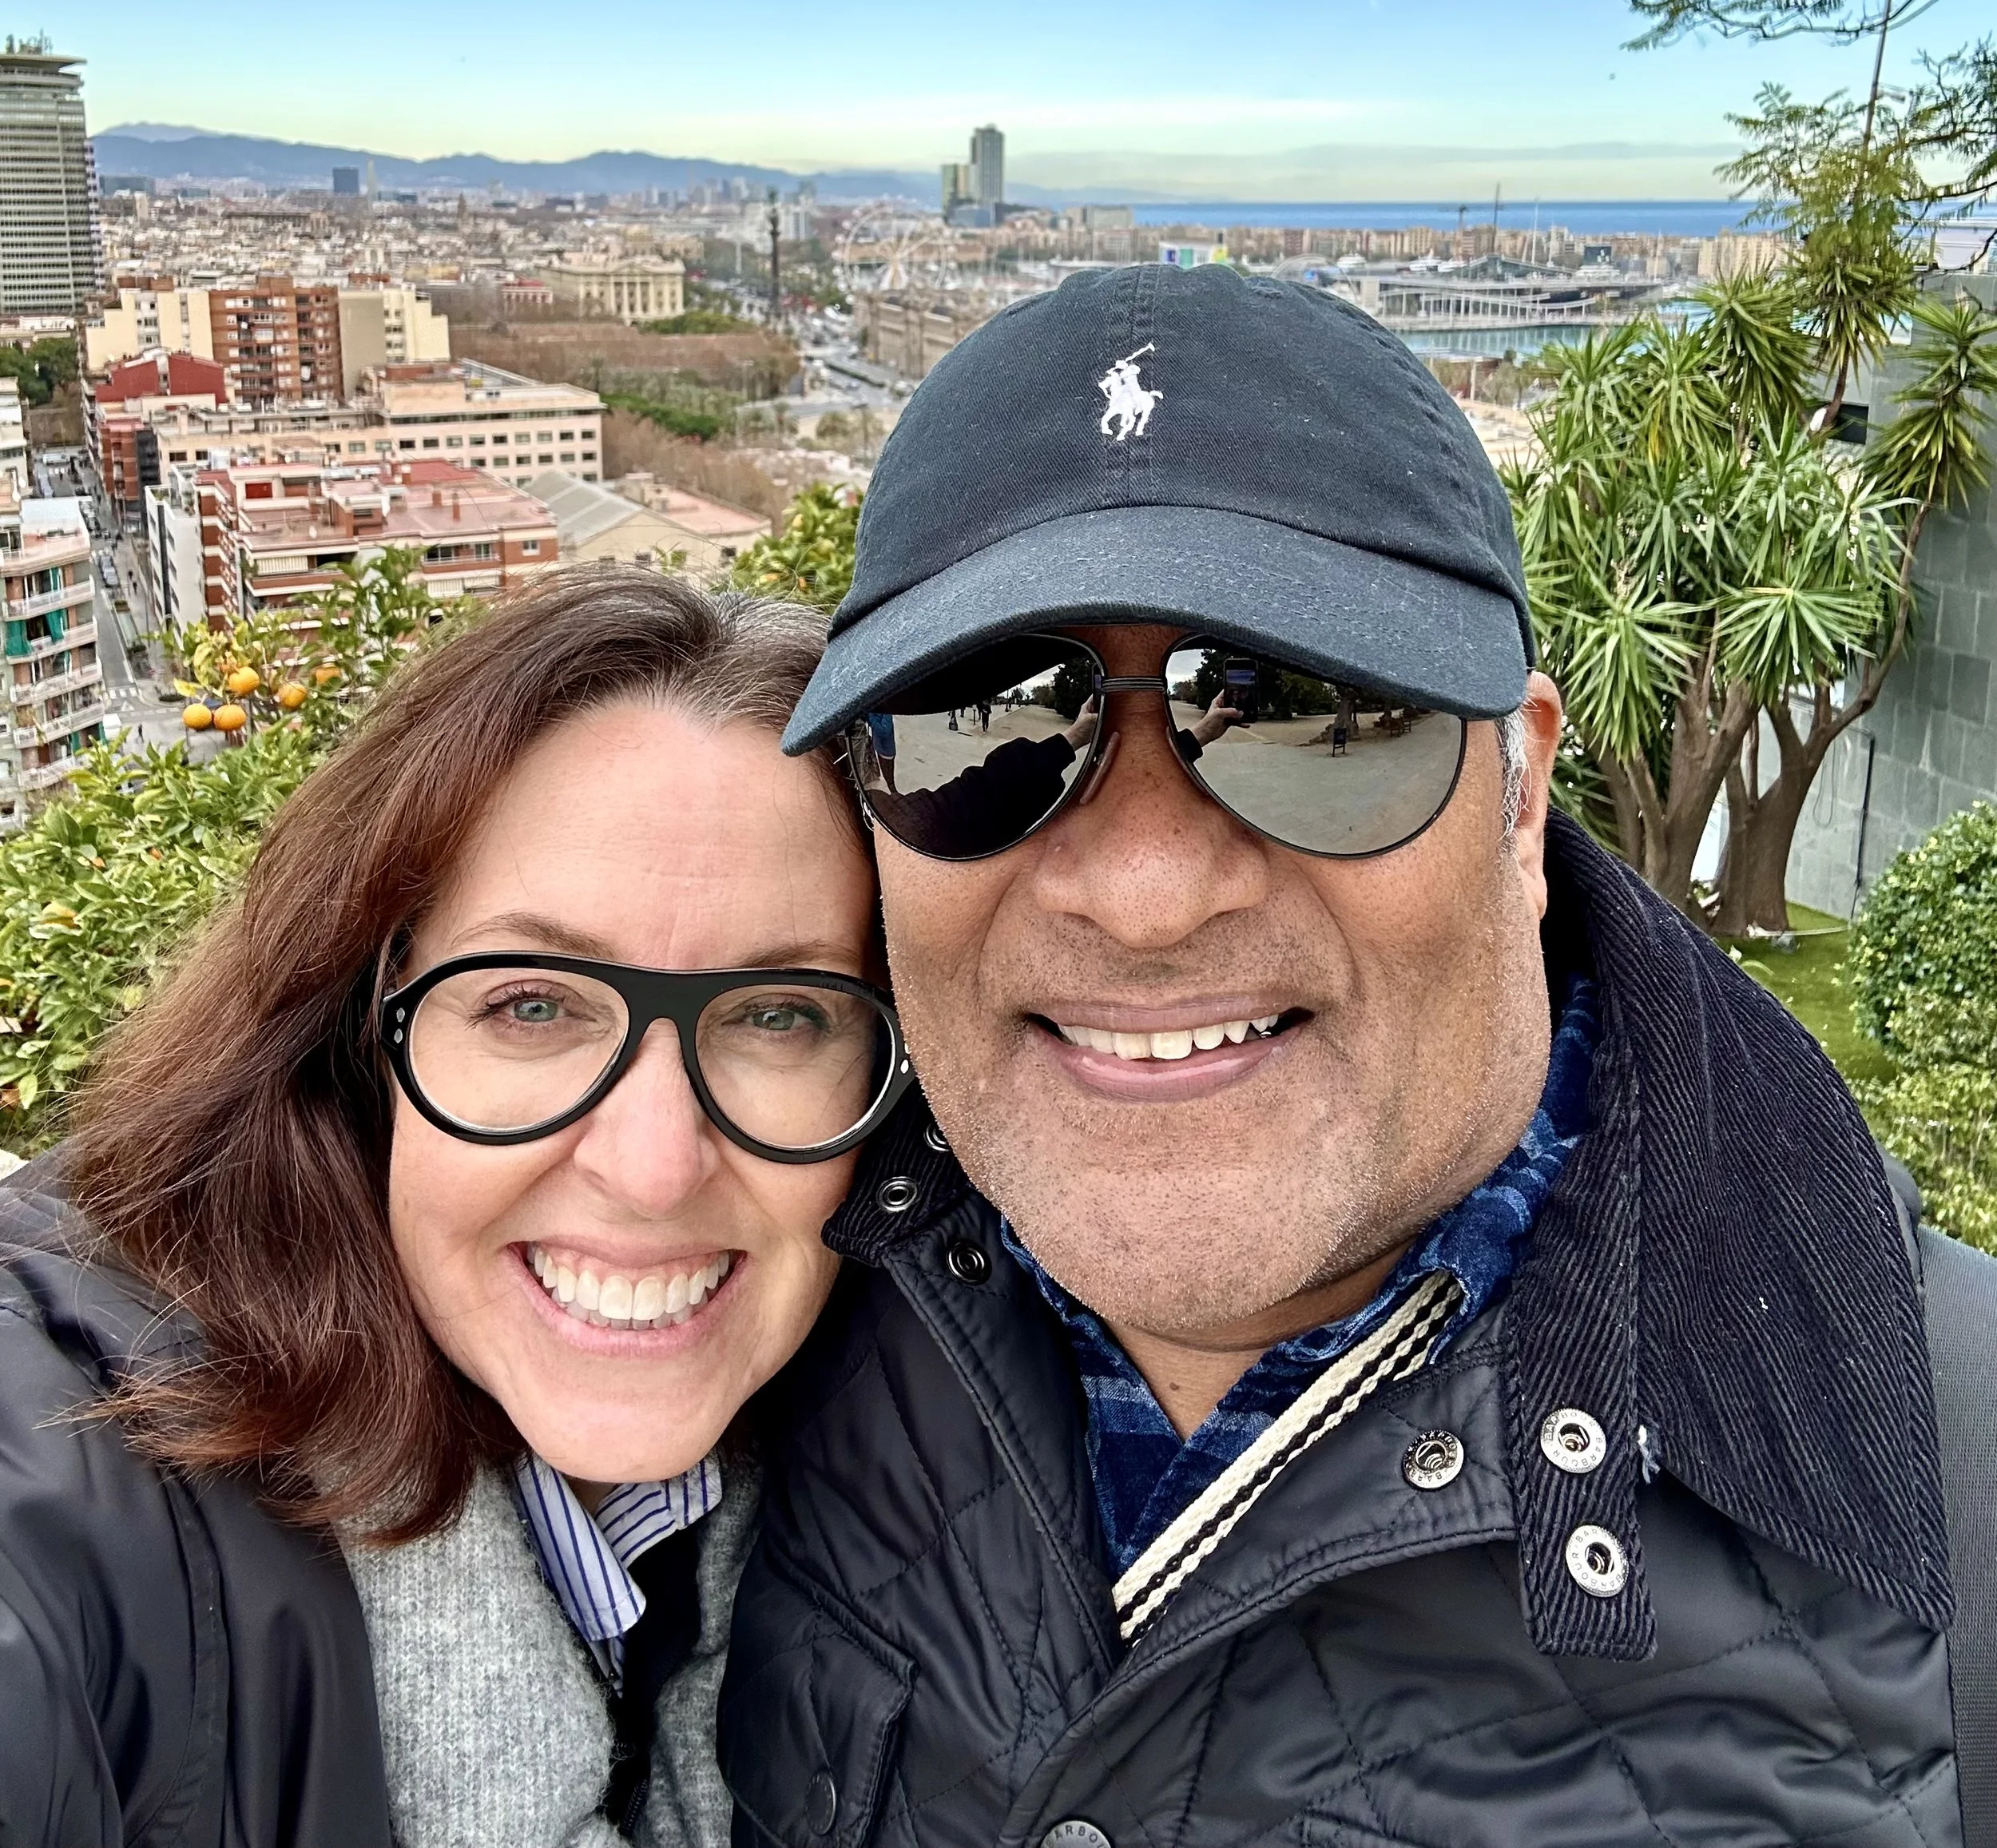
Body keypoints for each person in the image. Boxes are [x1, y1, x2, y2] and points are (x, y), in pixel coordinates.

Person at [719, 262, 1997, 1848]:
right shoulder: (746, 1316)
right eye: (985, 730)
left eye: (1301, 714)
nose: (1141, 890)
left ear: (1519, 796)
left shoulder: (1947, 1481)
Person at [0, 574, 910, 1848]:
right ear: (360, 1033)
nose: (653, 1166)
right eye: (533, 1005)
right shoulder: (75, 1479)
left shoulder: (882, 1481)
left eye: (778, 1016)